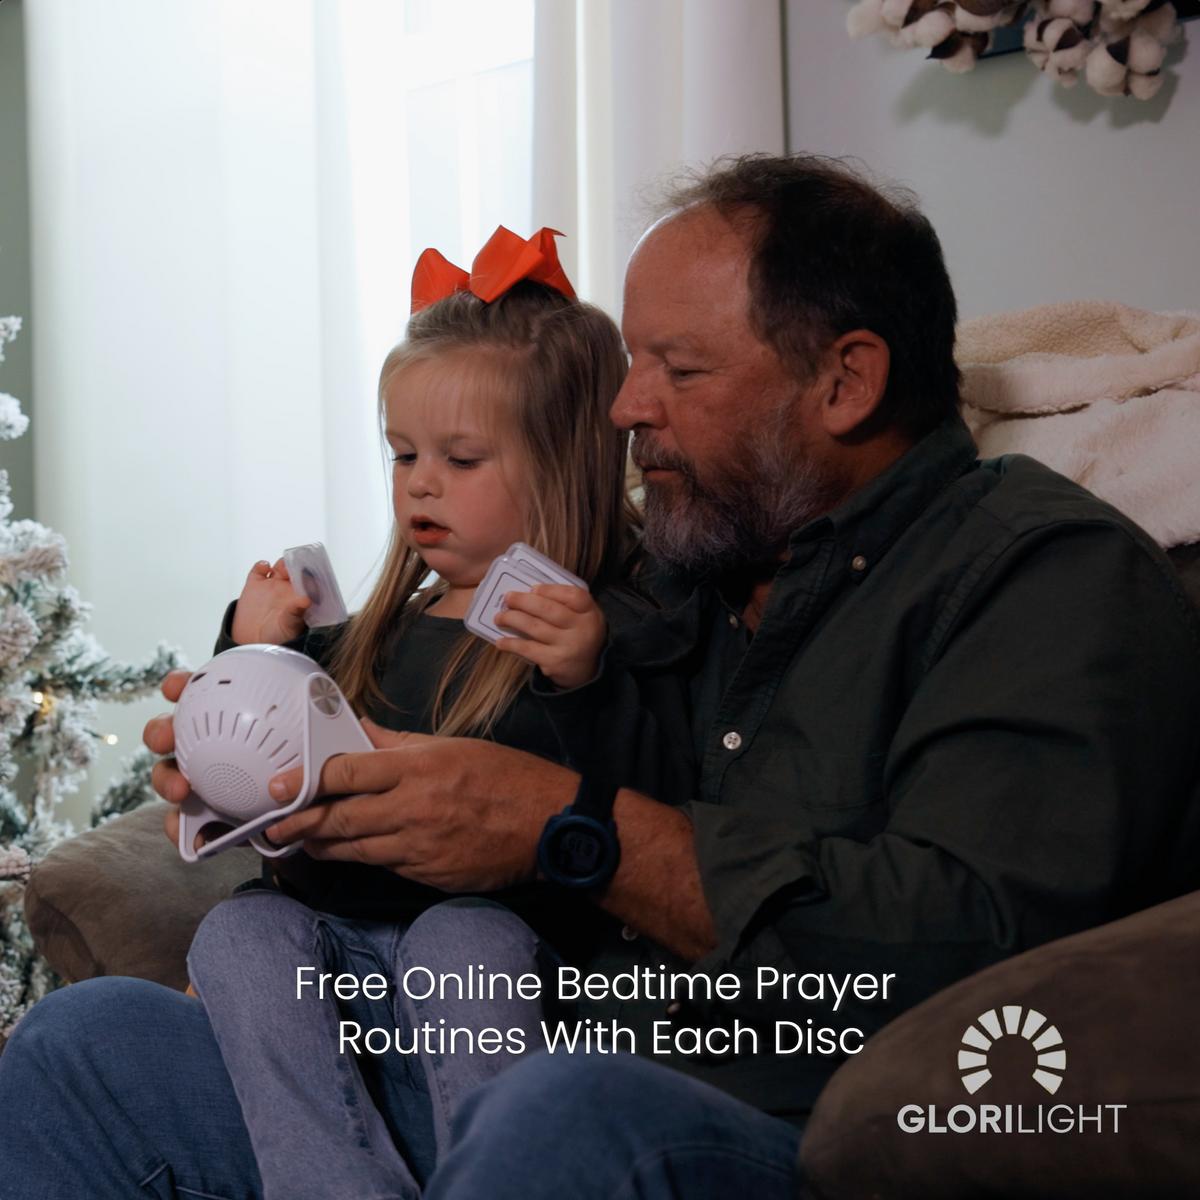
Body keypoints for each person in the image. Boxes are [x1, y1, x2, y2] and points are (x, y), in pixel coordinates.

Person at [2, 154, 1198, 1200]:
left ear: (846, 382)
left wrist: (562, 829)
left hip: (771, 1128)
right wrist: (254, 753)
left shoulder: (1040, 578)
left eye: (677, 369)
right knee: (83, 1047)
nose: (625, 410)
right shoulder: (678, 569)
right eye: (632, 364)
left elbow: (970, 946)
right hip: (499, 1059)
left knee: (561, 1110)